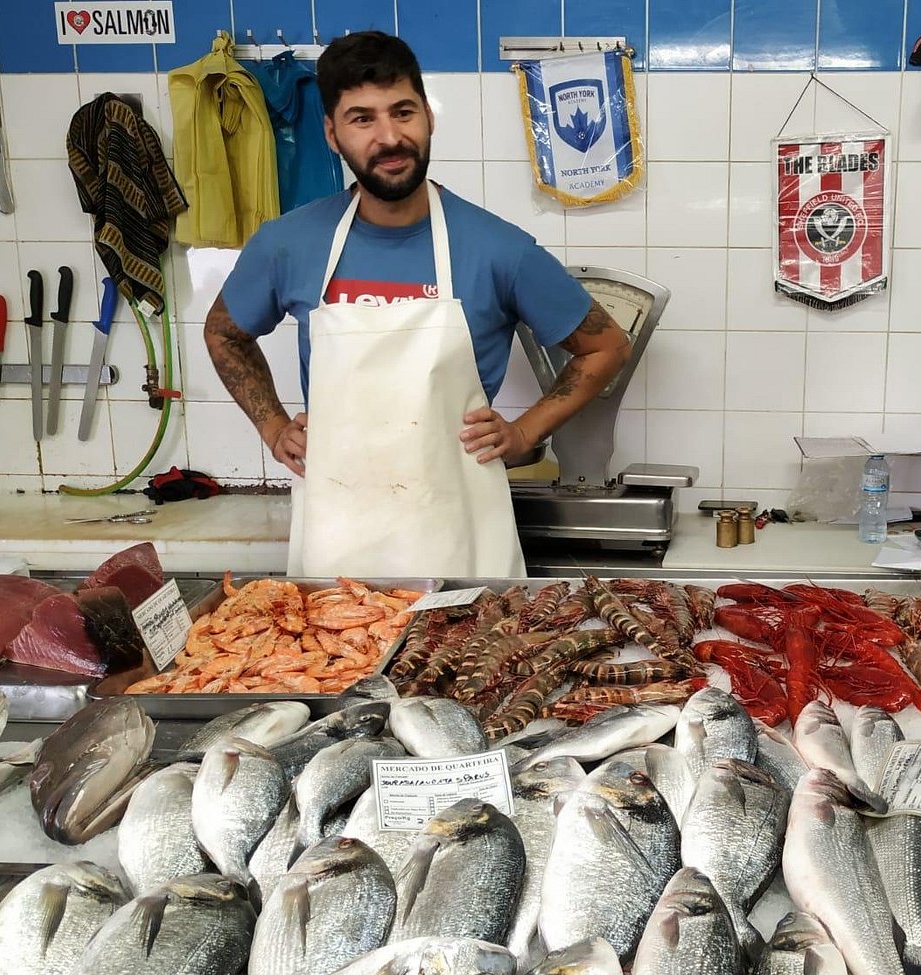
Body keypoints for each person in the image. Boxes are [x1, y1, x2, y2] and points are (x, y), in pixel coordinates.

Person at [204, 31, 631, 577]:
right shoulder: (287, 244)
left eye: (403, 112)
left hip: (458, 534)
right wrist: (272, 425)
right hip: (340, 536)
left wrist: (525, 432)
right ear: (332, 135)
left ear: (428, 117)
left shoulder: (499, 248)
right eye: (362, 119)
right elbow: (223, 333)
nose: (389, 137)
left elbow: (606, 347)